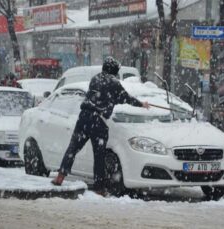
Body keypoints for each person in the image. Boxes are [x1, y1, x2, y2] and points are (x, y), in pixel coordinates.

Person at [51, 56, 150, 196]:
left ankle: (60, 176)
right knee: (99, 156)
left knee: (73, 148)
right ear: (114, 71)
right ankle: (99, 188)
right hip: (99, 122)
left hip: (84, 117)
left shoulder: (95, 79)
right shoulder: (114, 83)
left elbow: (102, 96)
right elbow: (126, 98)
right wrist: (141, 104)